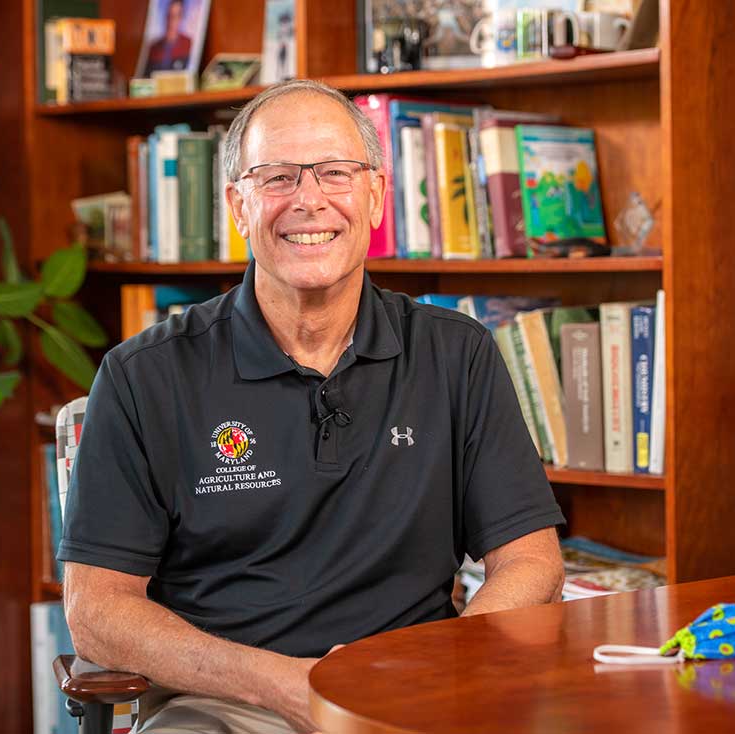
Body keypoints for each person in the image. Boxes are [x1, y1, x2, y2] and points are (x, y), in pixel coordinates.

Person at [58, 79, 566, 734]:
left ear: (378, 196)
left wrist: (446, 666)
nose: (309, 200)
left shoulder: (457, 354)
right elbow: (97, 611)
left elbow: (532, 561)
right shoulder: (145, 376)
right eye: (277, 179)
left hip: (414, 692)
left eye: (334, 173)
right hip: (224, 703)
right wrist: (286, 684)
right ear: (237, 205)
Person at [143, 0, 193, 75]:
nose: (171, 21)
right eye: (168, 15)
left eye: (175, 16)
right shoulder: (153, 48)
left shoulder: (188, 45)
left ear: (181, 18)